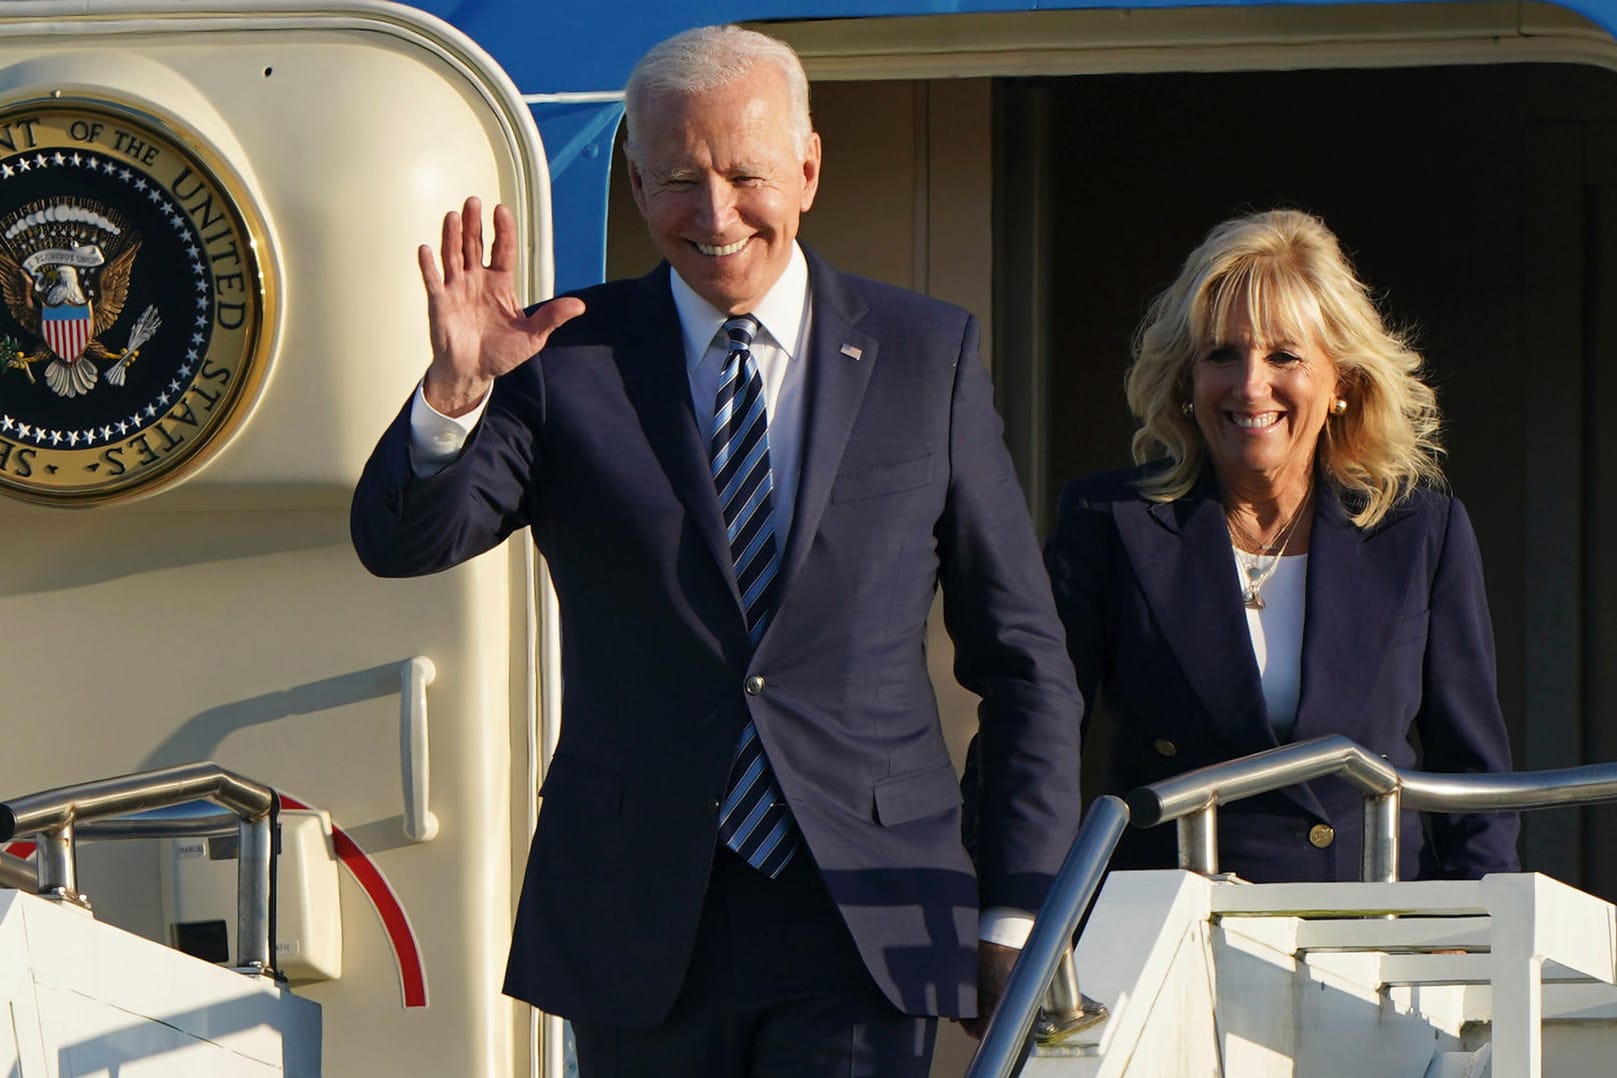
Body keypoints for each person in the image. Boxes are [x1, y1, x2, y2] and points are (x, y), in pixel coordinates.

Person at [350, 23, 1082, 1077]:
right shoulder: (563, 358)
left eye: (746, 174)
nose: (717, 214)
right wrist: (456, 395)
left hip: (867, 917)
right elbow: (405, 542)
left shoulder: (931, 355)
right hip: (636, 914)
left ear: (810, 170)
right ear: (637, 186)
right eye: (680, 181)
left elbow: (1023, 658)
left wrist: (1017, 908)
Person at [1045, 208, 1518, 882]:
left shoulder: (1419, 532)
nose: (1248, 386)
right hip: (1170, 926)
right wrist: (1017, 910)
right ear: (1185, 381)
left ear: (1340, 385)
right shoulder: (1107, 521)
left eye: (1283, 355)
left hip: (1370, 933)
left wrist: (1476, 939)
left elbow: (1474, 780)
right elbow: (1035, 735)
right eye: (1220, 355)